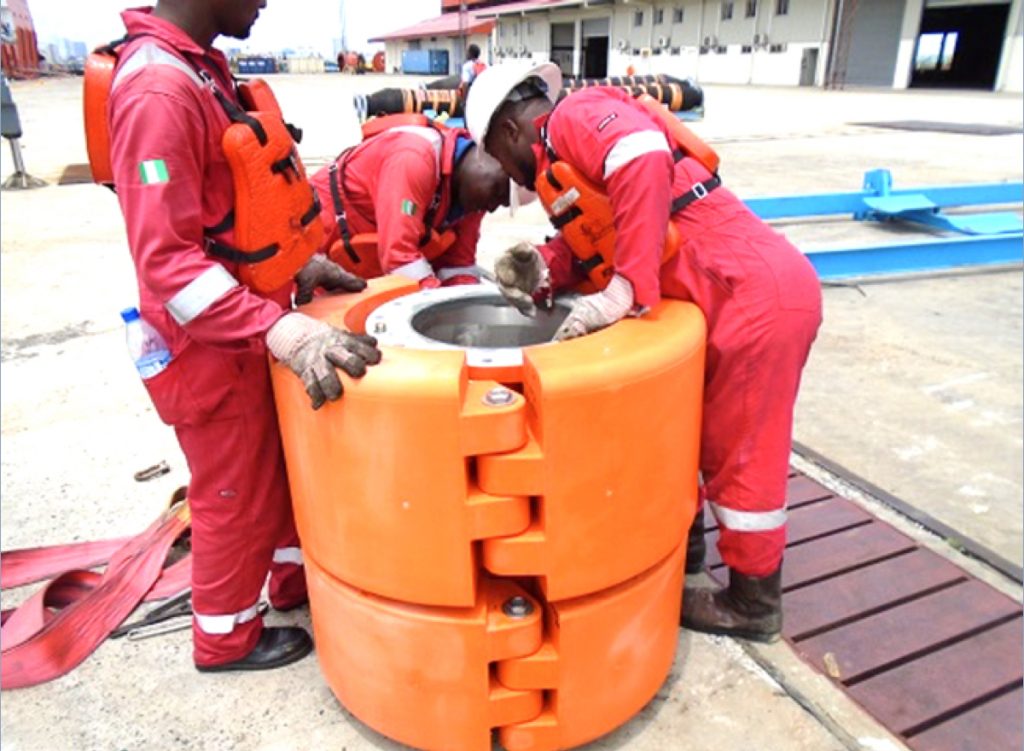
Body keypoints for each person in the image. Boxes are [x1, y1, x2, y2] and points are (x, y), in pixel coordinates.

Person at [466, 62, 822, 642]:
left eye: (504, 165)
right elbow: (598, 236)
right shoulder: (572, 164)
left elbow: (641, 157)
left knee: (742, 455)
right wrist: (542, 269)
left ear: (510, 131)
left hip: (751, 296)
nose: (516, 179)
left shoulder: (574, 117)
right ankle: (689, 553)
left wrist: (627, 288)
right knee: (694, 441)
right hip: (728, 296)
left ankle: (754, 602)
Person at [107, 1, 381, 671]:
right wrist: (279, 327)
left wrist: (299, 266)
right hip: (204, 342)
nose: (265, 2)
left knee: (276, 469)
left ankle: (291, 586)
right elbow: (168, 264)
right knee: (232, 490)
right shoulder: (159, 89)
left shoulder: (201, 72)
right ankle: (225, 637)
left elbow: (230, 211)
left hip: (243, 322)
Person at [309, 122, 512, 289]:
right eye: (498, 191)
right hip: (321, 234)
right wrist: (438, 307)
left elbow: (458, 265)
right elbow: (399, 258)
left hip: (367, 258)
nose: (492, 207)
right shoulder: (414, 159)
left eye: (503, 203)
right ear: (486, 157)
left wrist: (467, 311)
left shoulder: (474, 198)